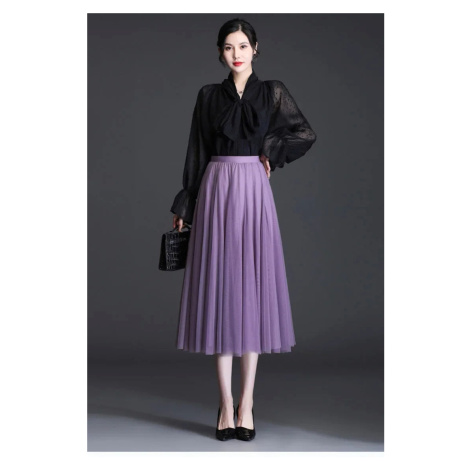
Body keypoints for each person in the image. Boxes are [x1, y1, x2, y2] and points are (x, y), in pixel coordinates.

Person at [170, 18, 316, 441]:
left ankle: (247, 403)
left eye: (243, 46)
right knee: (220, 292)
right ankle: (224, 404)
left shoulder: (272, 92)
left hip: (253, 190)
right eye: (229, 47)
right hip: (215, 190)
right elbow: (197, 152)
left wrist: (270, 150)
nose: (236, 54)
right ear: (220, 52)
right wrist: (185, 204)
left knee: (252, 291)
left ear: (256, 48)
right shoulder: (208, 96)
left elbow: (304, 133)